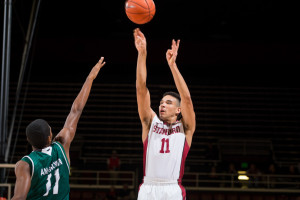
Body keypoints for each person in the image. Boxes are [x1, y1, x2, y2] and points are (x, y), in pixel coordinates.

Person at [11, 57, 106, 200]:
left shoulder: (24, 164)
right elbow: (76, 110)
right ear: (50, 137)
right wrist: (90, 78)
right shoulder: (62, 146)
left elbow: (19, 198)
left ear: (28, 140)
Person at [133, 28, 196, 200]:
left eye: (168, 103)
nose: (162, 105)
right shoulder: (150, 122)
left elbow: (187, 99)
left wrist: (173, 66)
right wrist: (142, 53)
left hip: (172, 188)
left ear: (178, 110)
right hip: (148, 187)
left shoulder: (185, 128)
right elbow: (141, 89)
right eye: (161, 102)